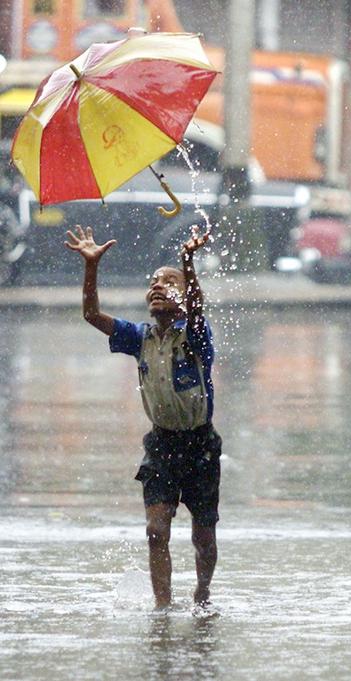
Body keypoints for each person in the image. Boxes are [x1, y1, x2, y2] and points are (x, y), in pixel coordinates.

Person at [65, 225, 221, 610]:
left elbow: (198, 309)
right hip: (162, 443)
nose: (156, 287)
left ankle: (202, 594)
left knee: (203, 537)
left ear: (184, 299)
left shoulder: (196, 336)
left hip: (201, 444)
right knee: (156, 531)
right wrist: (91, 266)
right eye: (152, 282)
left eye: (168, 283)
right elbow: (91, 315)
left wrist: (188, 262)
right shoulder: (140, 338)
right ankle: (162, 608)